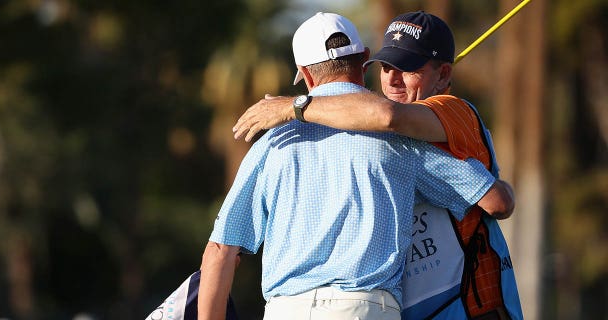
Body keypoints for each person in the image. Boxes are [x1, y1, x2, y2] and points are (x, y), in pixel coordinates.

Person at [199, 12, 514, 320]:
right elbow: (497, 202)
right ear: (364, 61)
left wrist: (291, 105)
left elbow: (219, 253)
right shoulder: (403, 141)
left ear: (305, 74)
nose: (392, 78)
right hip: (365, 308)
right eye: (387, 66)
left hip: (284, 310)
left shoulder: (271, 144)